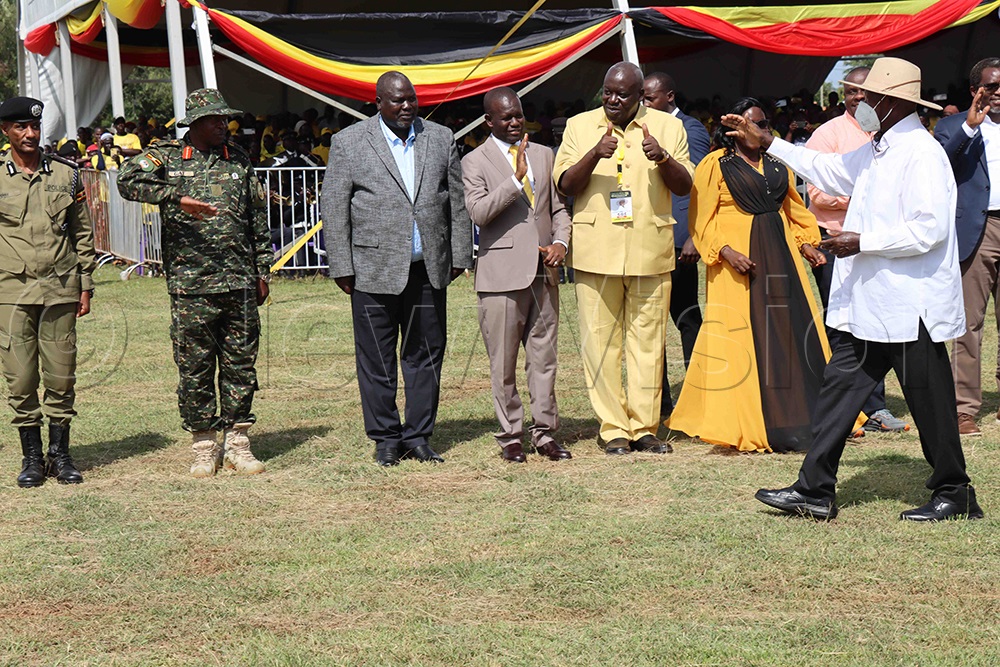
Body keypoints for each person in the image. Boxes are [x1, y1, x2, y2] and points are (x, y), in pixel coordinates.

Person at [725, 57, 982, 522]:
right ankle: (814, 490)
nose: (858, 102)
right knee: (838, 393)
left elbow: (929, 230)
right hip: (868, 306)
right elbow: (827, 169)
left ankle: (956, 492)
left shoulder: (921, 152)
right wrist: (767, 141)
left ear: (892, 103)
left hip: (908, 307)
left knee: (931, 404)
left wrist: (861, 240)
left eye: (867, 96)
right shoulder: (877, 147)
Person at [667, 98, 849, 453]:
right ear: (732, 128)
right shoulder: (715, 164)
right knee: (737, 335)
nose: (759, 129)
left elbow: (794, 210)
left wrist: (807, 243)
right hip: (737, 262)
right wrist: (725, 252)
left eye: (764, 123)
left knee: (786, 331)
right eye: (751, 123)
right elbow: (701, 220)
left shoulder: (778, 162)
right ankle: (737, 421)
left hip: (781, 258)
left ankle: (798, 412)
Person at [118, 88, 272, 478]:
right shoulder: (168, 157)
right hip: (191, 285)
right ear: (196, 123)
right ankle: (204, 444)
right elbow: (126, 178)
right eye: (216, 120)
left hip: (237, 280)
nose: (224, 125)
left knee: (240, 364)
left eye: (225, 119)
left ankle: (238, 442)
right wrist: (175, 198)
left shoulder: (236, 158)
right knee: (195, 366)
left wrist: (262, 270)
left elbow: (256, 216)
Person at [323, 71, 473, 467]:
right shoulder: (350, 142)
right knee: (376, 358)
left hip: (427, 270)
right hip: (371, 270)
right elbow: (335, 208)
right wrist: (341, 264)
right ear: (378, 103)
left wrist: (459, 256)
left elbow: (455, 201)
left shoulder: (439, 138)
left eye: (410, 99)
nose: (406, 106)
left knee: (426, 355)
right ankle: (386, 437)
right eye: (396, 101)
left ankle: (419, 435)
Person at [554, 62, 694, 455]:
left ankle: (644, 427)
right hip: (596, 251)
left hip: (651, 250)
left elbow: (686, 186)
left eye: (622, 95)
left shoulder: (669, 127)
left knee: (648, 343)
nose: (612, 100)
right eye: (607, 92)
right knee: (600, 343)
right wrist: (594, 154)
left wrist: (664, 158)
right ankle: (613, 427)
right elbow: (564, 183)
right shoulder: (580, 125)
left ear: (640, 97)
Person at [462, 87, 572, 463]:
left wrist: (561, 243)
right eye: (505, 117)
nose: (514, 122)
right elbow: (478, 212)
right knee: (503, 361)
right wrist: (514, 181)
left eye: (518, 115)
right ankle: (511, 435)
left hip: (543, 272)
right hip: (501, 276)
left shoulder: (545, 154)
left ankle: (545, 433)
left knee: (544, 358)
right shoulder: (475, 161)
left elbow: (559, 210)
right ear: (488, 121)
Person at [806, 66, 909, 435]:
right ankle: (850, 410)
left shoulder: (890, 132)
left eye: (868, 92)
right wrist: (866, 195)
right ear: (845, 94)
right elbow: (817, 192)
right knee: (843, 326)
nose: (860, 98)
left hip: (882, 244)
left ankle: (875, 406)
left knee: (878, 321)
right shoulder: (828, 133)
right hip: (838, 243)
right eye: (853, 92)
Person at [0, 96, 96, 487]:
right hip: (11, 291)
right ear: (5, 130)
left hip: (59, 287)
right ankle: (32, 457)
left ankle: (60, 454)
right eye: (21, 126)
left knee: (61, 376)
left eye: (35, 126)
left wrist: (85, 283)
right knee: (20, 378)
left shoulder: (66, 174)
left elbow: (83, 232)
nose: (30, 133)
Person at [935, 57, 1000, 438]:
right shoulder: (950, 127)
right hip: (977, 229)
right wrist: (969, 127)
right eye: (990, 86)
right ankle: (964, 409)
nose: (997, 93)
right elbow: (937, 165)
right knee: (968, 325)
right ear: (976, 89)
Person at [642, 71, 711, 420]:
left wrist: (694, 236)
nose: (644, 104)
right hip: (649, 240)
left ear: (669, 97)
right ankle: (661, 402)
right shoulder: (640, 128)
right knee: (650, 324)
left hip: (680, 242)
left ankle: (698, 395)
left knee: (686, 319)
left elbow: (698, 185)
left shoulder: (690, 129)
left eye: (650, 98)